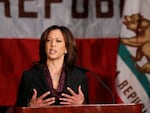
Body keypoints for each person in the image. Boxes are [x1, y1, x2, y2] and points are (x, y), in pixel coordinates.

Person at [16, 25, 89, 107]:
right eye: (48, 40)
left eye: (58, 41)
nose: (53, 44)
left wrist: (82, 104)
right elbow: (18, 107)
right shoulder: (30, 76)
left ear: (67, 48)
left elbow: (88, 108)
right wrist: (30, 106)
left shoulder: (79, 76)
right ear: (44, 46)